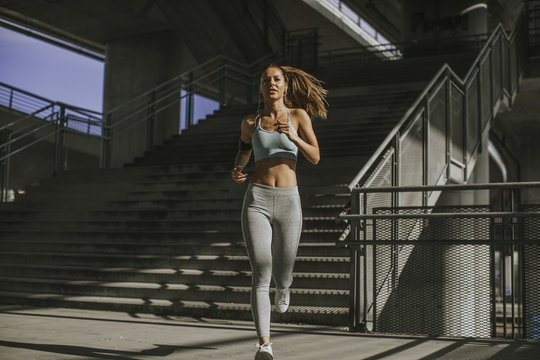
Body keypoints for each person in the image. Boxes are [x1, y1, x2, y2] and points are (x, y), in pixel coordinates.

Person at [231, 64, 328, 360]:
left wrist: (294, 137)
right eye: (265, 81)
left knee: (283, 270)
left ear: (285, 86)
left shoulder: (298, 116)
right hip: (257, 200)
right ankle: (264, 344)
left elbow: (315, 157)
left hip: (288, 200)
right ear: (260, 88)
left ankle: (284, 288)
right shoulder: (251, 121)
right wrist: (237, 168)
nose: (271, 84)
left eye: (276, 80)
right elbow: (244, 150)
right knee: (261, 270)